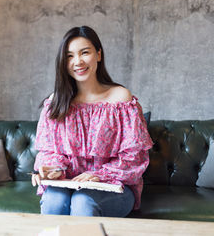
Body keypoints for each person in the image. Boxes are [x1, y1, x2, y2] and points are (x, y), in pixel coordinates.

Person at [31, 26, 153, 217]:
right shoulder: (56, 102)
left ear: (98, 54)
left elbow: (134, 158)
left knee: (82, 202)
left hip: (113, 187)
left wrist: (99, 175)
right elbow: (49, 151)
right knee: (54, 201)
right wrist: (54, 170)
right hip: (68, 183)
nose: (77, 61)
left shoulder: (121, 98)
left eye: (84, 53)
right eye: (70, 56)